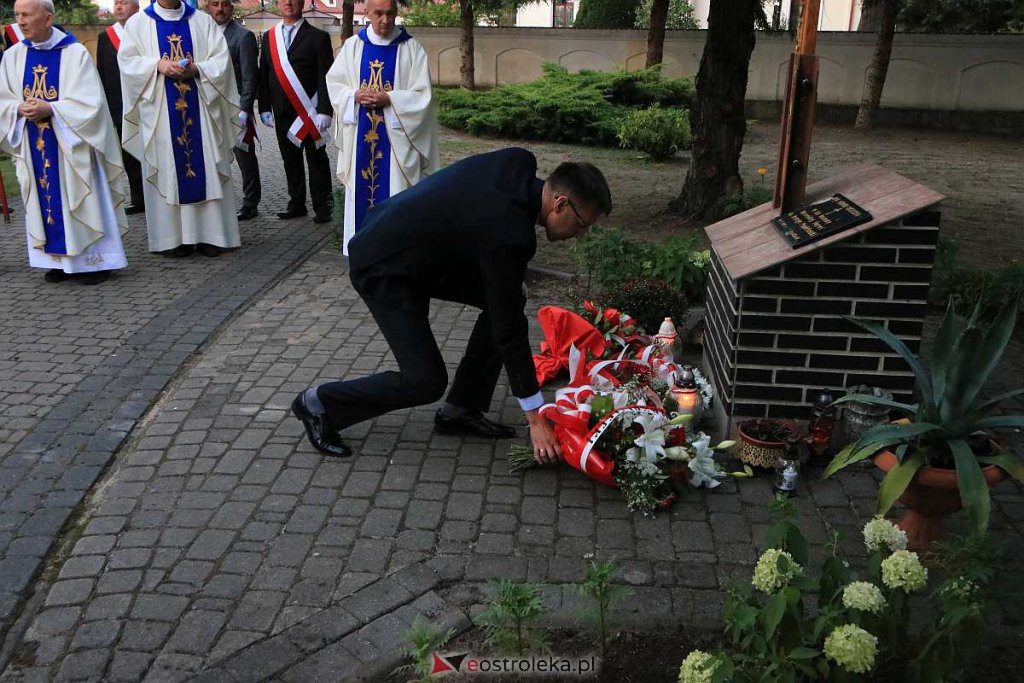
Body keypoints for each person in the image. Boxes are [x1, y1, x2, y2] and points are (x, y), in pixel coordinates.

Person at [291, 148, 612, 463]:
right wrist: (535, 416)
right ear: (560, 204)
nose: (581, 235)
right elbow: (508, 330)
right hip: (383, 264)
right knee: (425, 380)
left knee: (509, 301)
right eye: (583, 225)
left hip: (416, 252)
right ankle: (319, 404)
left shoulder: (519, 163)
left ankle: (461, 408)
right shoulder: (510, 232)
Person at [0, 0, 128, 285]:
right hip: (34, 143)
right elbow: (3, 99)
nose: (20, 21)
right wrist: (17, 109)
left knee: (81, 201)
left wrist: (52, 109)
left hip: (72, 147)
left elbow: (91, 104)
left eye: (26, 15)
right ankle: (56, 261)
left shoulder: (74, 54)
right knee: (45, 204)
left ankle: (94, 263)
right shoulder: (14, 56)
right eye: (17, 15)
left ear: (47, 18)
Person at [118, 0, 241, 257]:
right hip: (161, 114)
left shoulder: (202, 21)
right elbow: (127, 62)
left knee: (205, 165)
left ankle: (211, 236)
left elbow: (221, 61)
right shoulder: (139, 24)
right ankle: (172, 239)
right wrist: (158, 66)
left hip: (201, 110)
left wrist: (197, 68)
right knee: (167, 167)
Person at [325, 0, 438, 255]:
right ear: (366, 13)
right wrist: (353, 96)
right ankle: (361, 250)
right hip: (360, 140)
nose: (385, 20)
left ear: (396, 13)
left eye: (390, 14)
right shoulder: (353, 47)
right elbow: (335, 85)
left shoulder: (411, 49)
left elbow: (424, 98)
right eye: (378, 14)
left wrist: (391, 99)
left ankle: (396, 252)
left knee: (397, 195)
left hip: (396, 144)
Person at [258, 0, 333, 224]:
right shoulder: (269, 38)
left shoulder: (318, 37)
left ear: (302, 3)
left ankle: (323, 207)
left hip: (310, 114)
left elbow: (325, 76)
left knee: (317, 160)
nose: (288, 3)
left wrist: (324, 111)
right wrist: (263, 107)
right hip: (282, 112)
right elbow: (265, 74)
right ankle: (296, 203)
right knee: (290, 160)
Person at [208, 0, 261, 221]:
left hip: (236, 107)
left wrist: (245, 108)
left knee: (244, 157)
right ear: (207, 8)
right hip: (209, 106)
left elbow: (250, 77)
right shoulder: (203, 35)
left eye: (225, 4)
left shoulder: (243, 37)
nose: (220, 9)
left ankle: (251, 202)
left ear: (232, 7)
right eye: (214, 4)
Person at [95, 0, 144, 215]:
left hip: (145, 103)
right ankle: (138, 198)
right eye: (116, 3)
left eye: (124, 2)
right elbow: (102, 74)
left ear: (136, 8)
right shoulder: (105, 37)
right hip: (119, 106)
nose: (118, 7)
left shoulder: (145, 31)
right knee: (129, 154)